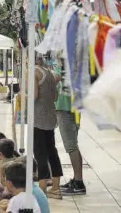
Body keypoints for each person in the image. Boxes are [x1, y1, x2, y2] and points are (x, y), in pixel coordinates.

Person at [54, 64, 86, 196]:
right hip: (73, 107)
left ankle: (79, 183)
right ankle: (77, 180)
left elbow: (54, 80)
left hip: (66, 108)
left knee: (71, 146)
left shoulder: (65, 63)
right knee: (73, 145)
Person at [34, 54, 63, 199]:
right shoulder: (51, 74)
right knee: (52, 151)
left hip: (38, 118)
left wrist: (23, 95)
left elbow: (33, 95)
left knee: (40, 153)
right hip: (50, 117)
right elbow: (55, 97)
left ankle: (42, 190)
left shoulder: (34, 72)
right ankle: (56, 188)